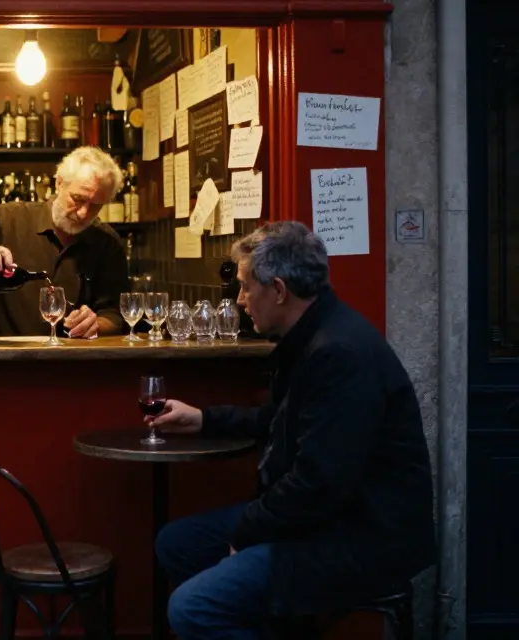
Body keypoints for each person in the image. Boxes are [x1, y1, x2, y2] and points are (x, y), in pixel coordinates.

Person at [147, 221, 435, 639]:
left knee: (192, 609)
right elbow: (280, 421)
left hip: (359, 539)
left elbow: (318, 483)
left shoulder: (339, 354)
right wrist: (205, 419)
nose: (241, 299)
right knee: (177, 543)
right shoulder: (313, 335)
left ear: (279, 290)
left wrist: (249, 530)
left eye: (246, 286)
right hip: (327, 519)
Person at [0, 146, 131, 338]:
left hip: (72, 366)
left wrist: (96, 324)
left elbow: (114, 316)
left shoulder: (107, 242)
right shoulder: (9, 218)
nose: (84, 213)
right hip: (5, 364)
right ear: (59, 183)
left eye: (95, 206)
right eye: (77, 199)